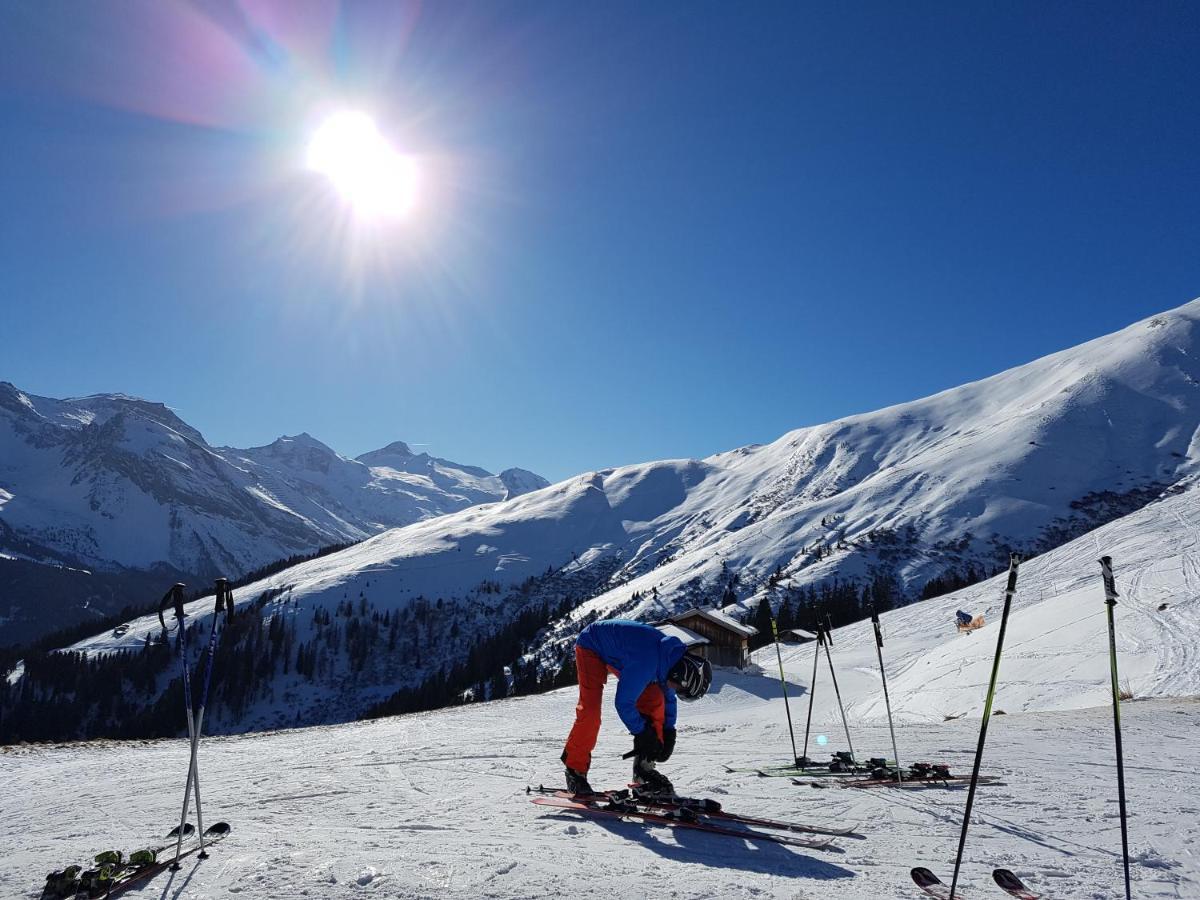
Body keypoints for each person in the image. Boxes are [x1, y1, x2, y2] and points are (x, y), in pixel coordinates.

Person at [561, 618, 713, 796]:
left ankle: (643, 770)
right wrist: (642, 733)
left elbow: (668, 698)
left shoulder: (669, 661)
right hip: (591, 644)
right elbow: (623, 703)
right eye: (680, 688)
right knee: (591, 710)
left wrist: (669, 731)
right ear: (681, 676)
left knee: (655, 698)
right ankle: (574, 770)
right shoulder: (647, 663)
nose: (675, 690)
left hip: (622, 653)